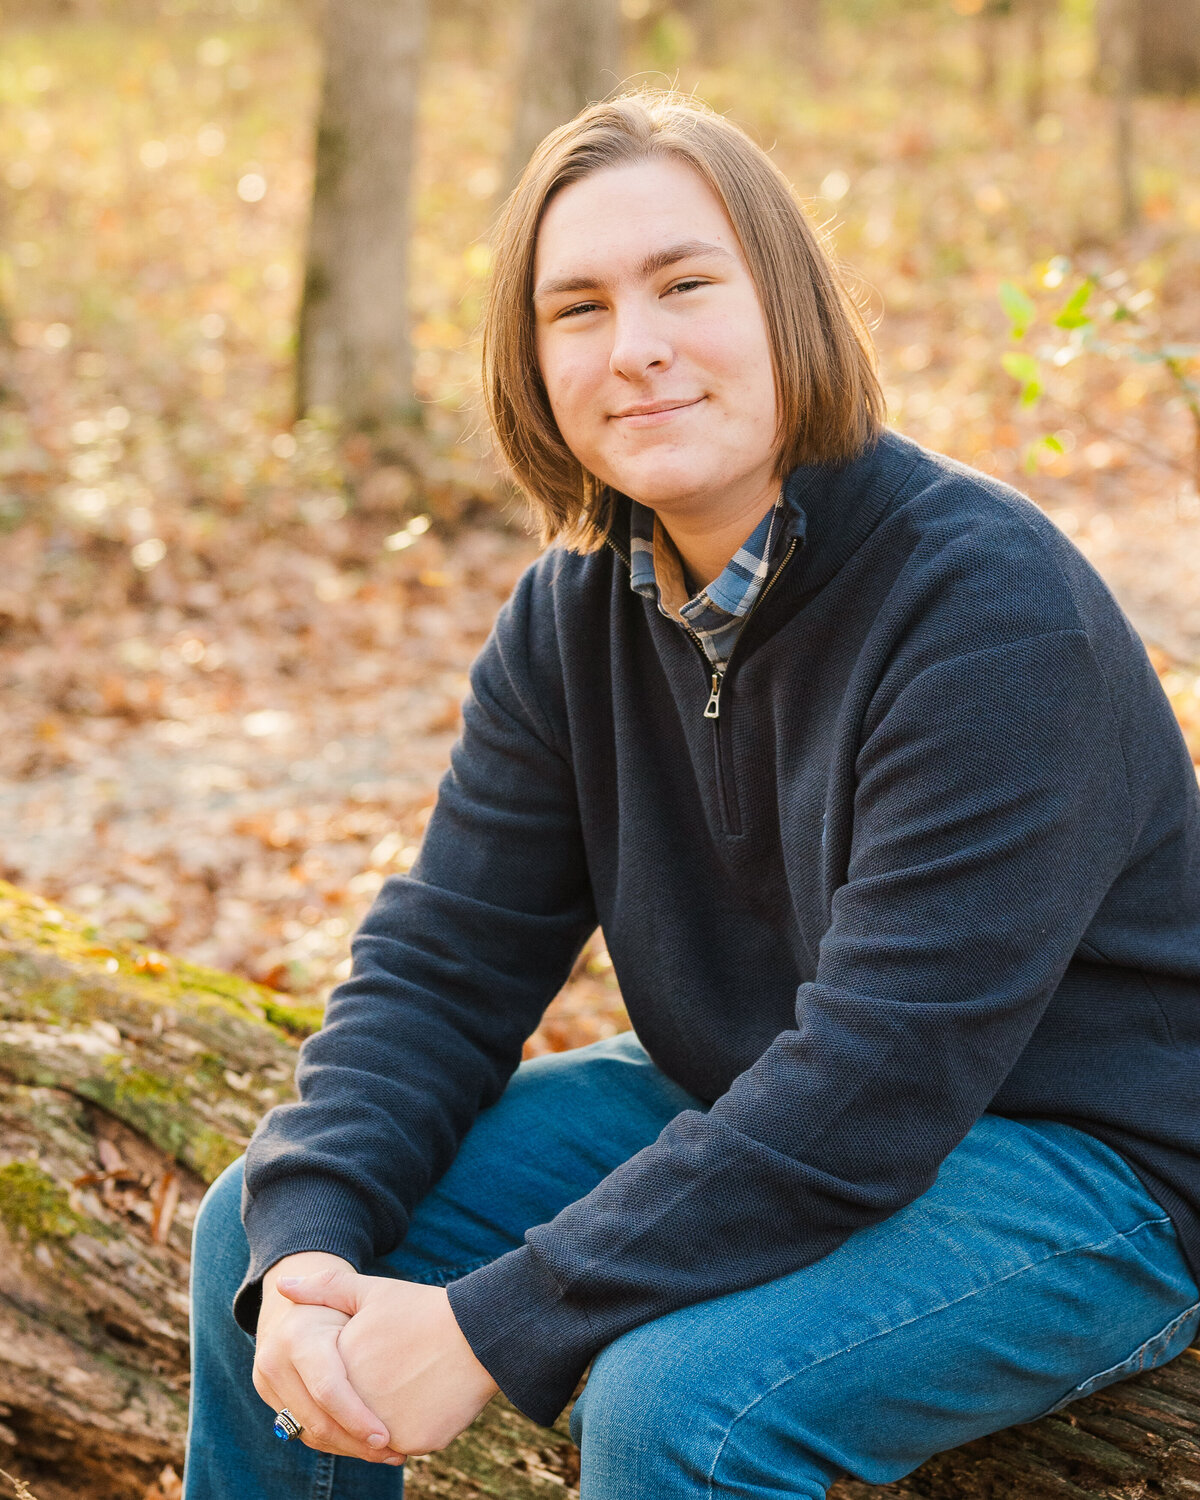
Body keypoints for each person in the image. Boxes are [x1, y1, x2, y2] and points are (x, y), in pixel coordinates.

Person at [183, 90, 1200, 1500]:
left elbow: (879, 1080)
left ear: (784, 304)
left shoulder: (987, 610)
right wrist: (305, 1253)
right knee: (259, 1233)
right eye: (578, 309)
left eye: (684, 284)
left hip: (1086, 1163)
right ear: (532, 364)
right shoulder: (570, 616)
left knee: (679, 1410)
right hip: (751, 1086)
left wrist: (492, 1328)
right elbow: (443, 966)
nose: (637, 347)